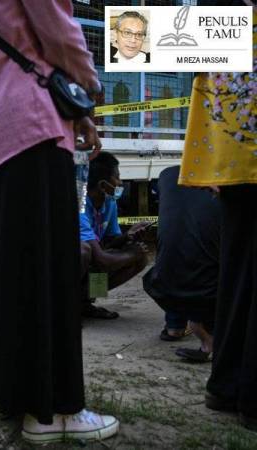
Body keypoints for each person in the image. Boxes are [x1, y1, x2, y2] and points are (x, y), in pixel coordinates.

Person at [0, 0, 120, 443]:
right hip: (31, 133)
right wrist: (89, 87)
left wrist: (75, 110)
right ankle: (53, 411)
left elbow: (9, 57)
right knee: (48, 274)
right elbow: (59, 33)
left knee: (5, 278)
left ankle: (6, 394)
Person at [178, 0, 256, 430]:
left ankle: (225, 387)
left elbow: (129, 40)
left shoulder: (223, 24)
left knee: (238, 273)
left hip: (230, 164)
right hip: (240, 162)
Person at [143, 166, 220, 363]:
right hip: (206, 294)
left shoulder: (167, 176)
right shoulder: (221, 183)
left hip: (164, 286)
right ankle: (209, 338)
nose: (118, 184)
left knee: (173, 262)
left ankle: (175, 327)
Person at [79, 152, 149, 319]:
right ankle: (62, 306)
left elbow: (109, 241)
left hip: (93, 257)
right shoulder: (79, 205)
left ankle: (83, 303)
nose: (120, 182)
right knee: (83, 251)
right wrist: (132, 253)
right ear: (103, 186)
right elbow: (102, 260)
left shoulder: (109, 201)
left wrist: (128, 236)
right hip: (62, 265)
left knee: (138, 257)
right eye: (117, 177)